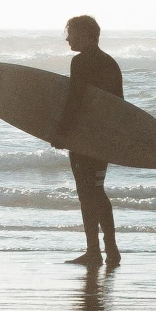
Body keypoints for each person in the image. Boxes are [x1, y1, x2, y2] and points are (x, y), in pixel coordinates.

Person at [52, 14, 121, 267]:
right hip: (102, 139)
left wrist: (61, 133)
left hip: (83, 138)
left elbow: (75, 100)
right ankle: (111, 249)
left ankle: (94, 251)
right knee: (97, 190)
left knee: (85, 191)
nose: (68, 38)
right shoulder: (110, 63)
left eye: (71, 32)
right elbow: (119, 107)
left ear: (86, 34)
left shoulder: (80, 62)